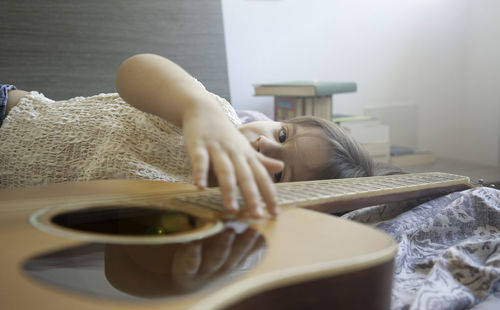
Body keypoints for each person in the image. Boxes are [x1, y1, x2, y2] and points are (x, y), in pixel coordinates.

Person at [0, 54, 373, 218]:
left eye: (277, 173)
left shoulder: (199, 212)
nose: (265, 143)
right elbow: (135, 70)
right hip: (9, 115)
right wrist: (196, 109)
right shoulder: (211, 112)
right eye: (281, 133)